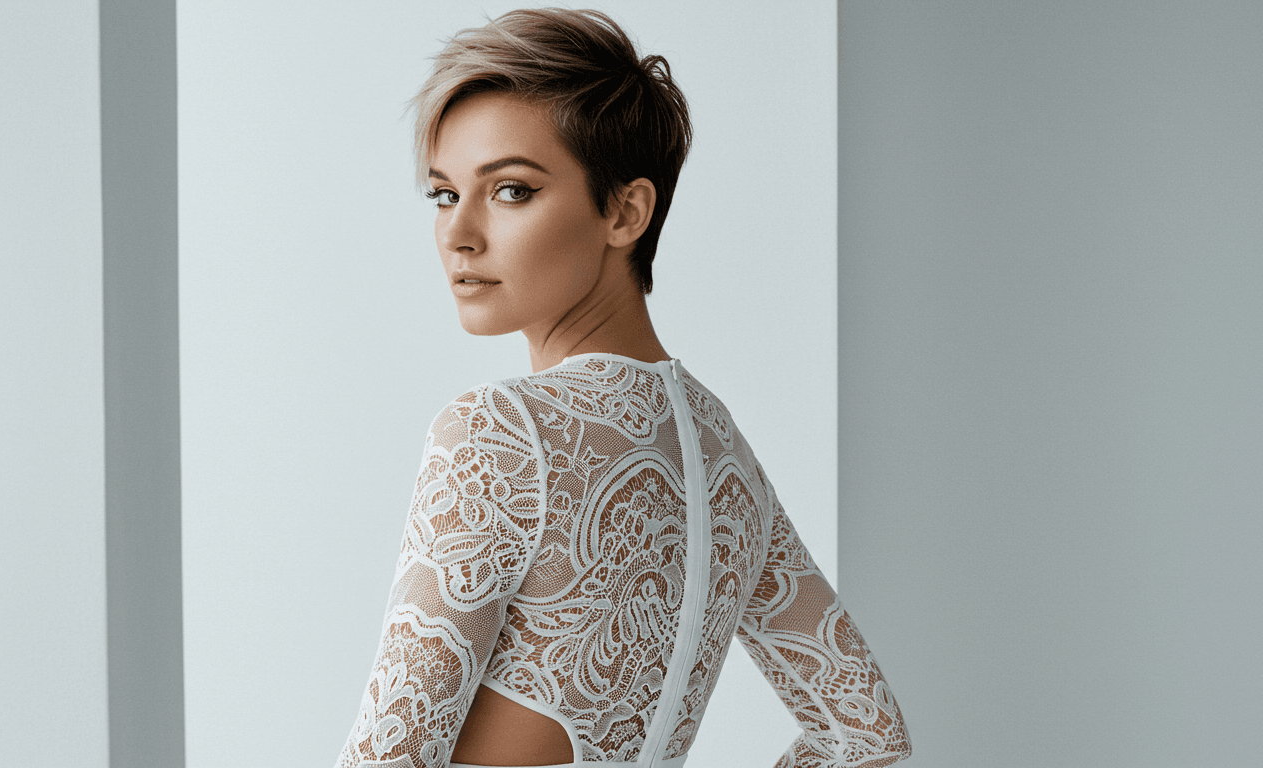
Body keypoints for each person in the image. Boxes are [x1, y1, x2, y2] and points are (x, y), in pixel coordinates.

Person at [334, 8, 911, 768]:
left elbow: (390, 757)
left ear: (626, 210)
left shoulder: (499, 432)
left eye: (510, 190)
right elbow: (865, 734)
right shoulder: (721, 452)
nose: (458, 233)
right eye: (444, 194)